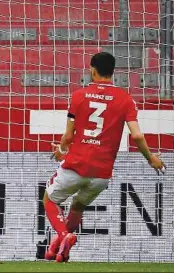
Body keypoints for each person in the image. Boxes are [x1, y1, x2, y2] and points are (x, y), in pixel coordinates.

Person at [45, 52, 166, 262]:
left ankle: (65, 235)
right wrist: (150, 158)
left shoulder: (79, 95)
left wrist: (61, 151)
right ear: (113, 72)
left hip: (76, 165)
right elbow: (136, 135)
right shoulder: (125, 99)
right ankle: (58, 247)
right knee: (78, 206)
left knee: (49, 200)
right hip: (101, 174)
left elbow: (68, 136)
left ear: (92, 69)